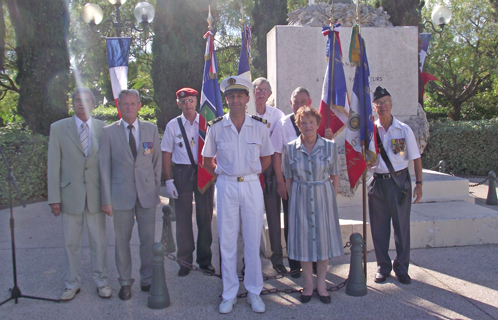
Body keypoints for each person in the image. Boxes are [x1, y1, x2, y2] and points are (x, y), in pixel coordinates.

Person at [202, 76, 274, 314]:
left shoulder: (260, 125)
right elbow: (206, 160)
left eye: (239, 96)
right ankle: (229, 293)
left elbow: (266, 158)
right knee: (227, 241)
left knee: (253, 240)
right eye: (231, 96)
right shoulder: (216, 127)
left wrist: (249, 173)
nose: (235, 100)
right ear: (226, 100)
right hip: (226, 187)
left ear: (247, 99)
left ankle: (254, 291)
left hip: (252, 185)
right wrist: (224, 173)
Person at [47, 88, 111, 301]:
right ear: (72, 103)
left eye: (85, 100)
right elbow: (53, 165)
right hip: (70, 196)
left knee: (99, 242)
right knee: (70, 243)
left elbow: (107, 166)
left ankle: (102, 281)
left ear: (93, 104)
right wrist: (54, 198)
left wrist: (108, 198)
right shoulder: (58, 128)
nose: (81, 104)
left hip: (96, 196)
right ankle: (71, 283)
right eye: (76, 100)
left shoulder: (104, 129)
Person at [99, 89, 162, 300]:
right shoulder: (108, 132)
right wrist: (106, 200)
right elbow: (104, 168)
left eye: (133, 103)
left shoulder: (150, 129)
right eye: (125, 104)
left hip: (146, 195)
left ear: (139, 106)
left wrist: (154, 189)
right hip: (120, 196)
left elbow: (156, 163)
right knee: (122, 241)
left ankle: (147, 279)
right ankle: (125, 282)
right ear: (119, 106)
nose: (129, 107)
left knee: (148, 240)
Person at [282, 106, 343, 304]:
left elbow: (335, 174)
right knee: (304, 241)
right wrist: (294, 200)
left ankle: (322, 285)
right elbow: (288, 178)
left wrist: (331, 198)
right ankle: (308, 285)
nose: (307, 126)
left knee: (322, 241)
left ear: (318, 124)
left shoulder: (329, 147)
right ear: (298, 125)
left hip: (322, 196)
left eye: (311, 122)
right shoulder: (290, 148)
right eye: (303, 122)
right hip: (300, 196)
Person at [369, 86, 423, 285]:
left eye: (385, 103)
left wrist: (419, 184)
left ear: (391, 105)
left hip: (399, 182)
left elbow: (416, 158)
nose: (382, 106)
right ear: (374, 107)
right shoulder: (370, 131)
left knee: (401, 228)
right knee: (379, 228)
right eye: (378, 103)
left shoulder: (403, 129)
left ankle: (401, 267)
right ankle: (383, 267)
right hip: (377, 183)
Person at [161, 87, 215, 277]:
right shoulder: (172, 125)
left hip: (203, 171)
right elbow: (166, 154)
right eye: (184, 102)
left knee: (205, 218)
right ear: (179, 104)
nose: (188, 104)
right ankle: (184, 260)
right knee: (183, 219)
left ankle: (205, 260)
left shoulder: (206, 123)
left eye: (191, 100)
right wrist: (168, 180)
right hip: (182, 173)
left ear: (196, 101)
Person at [270, 87, 311, 277]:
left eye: (304, 101)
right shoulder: (283, 124)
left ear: (309, 102)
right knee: (292, 222)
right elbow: (276, 154)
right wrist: (280, 181)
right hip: (291, 182)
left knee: (312, 222)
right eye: (297, 101)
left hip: (312, 182)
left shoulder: (315, 122)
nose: (300, 105)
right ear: (291, 102)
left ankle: (314, 260)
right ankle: (294, 263)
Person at [252, 77, 286, 274]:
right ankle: (251, 261)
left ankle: (277, 259)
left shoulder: (278, 115)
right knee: (251, 217)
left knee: (274, 217)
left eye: (265, 89)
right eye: (257, 88)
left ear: (270, 94)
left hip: (271, 171)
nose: (261, 92)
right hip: (251, 170)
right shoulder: (246, 114)